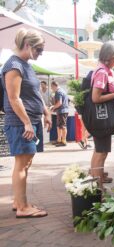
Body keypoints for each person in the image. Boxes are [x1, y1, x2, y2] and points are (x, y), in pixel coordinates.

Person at [2, 28, 51, 218]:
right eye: (38, 49)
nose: (40, 53)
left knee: (26, 161)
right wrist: (27, 123)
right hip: (20, 123)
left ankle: (18, 201)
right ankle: (23, 208)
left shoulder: (25, 64)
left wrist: (45, 112)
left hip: (30, 120)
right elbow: (14, 98)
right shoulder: (14, 65)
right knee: (22, 163)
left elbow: (35, 93)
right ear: (28, 45)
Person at [90, 42, 114, 186]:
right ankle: (97, 186)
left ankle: (97, 178)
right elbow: (95, 98)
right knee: (101, 152)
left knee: (100, 150)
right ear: (109, 56)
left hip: (103, 118)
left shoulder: (104, 71)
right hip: (102, 118)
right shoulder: (102, 72)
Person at [50, 81, 69, 147]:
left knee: (63, 126)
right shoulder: (62, 91)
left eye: (52, 87)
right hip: (62, 111)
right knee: (59, 126)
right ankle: (59, 140)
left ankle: (63, 141)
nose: (51, 89)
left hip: (62, 111)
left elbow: (59, 103)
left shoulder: (58, 92)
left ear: (54, 86)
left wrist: (53, 107)